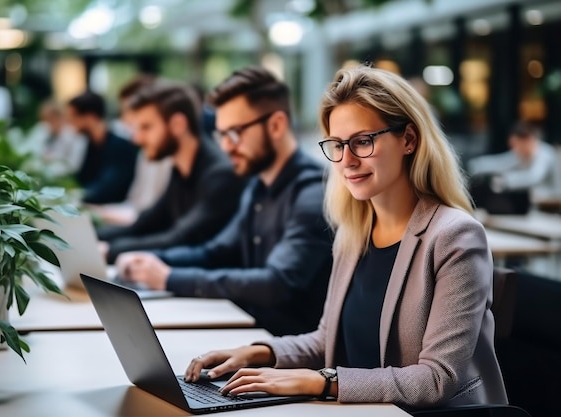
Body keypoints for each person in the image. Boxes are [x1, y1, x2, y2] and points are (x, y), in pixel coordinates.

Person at [182, 65, 508, 410]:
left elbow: (436, 378)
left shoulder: (455, 236)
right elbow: (327, 340)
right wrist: (259, 352)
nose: (347, 160)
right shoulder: (354, 233)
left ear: (409, 140)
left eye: (363, 141)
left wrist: (321, 381)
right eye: (337, 145)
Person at [114, 66, 333, 336]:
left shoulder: (312, 193)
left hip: (290, 358)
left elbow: (277, 283)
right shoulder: (258, 185)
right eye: (222, 135)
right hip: (250, 337)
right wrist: (150, 260)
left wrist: (169, 277)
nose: (226, 147)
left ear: (276, 125)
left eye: (235, 133)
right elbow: (215, 252)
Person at [97, 81, 245, 263]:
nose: (137, 139)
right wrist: (89, 239)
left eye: (147, 127)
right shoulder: (180, 170)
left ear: (178, 124)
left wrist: (110, 250)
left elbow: (180, 238)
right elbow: (144, 225)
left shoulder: (221, 175)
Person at [87, 76, 173, 225]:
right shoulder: (144, 153)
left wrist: (100, 213)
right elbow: (135, 203)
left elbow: (148, 214)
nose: (125, 119)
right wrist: (98, 211)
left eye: (129, 110)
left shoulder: (165, 156)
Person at [467, 121, 560, 214]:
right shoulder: (521, 154)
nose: (515, 149)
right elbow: (501, 163)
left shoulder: (545, 154)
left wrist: (505, 180)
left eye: (516, 145)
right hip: (534, 205)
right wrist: (475, 165)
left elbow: (533, 177)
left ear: (527, 139)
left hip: (551, 205)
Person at [67, 91, 140, 205]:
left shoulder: (119, 146)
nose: (70, 123)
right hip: (95, 207)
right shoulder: (91, 144)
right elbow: (82, 179)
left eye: (73, 117)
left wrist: (74, 196)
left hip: (116, 210)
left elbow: (108, 188)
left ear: (90, 117)